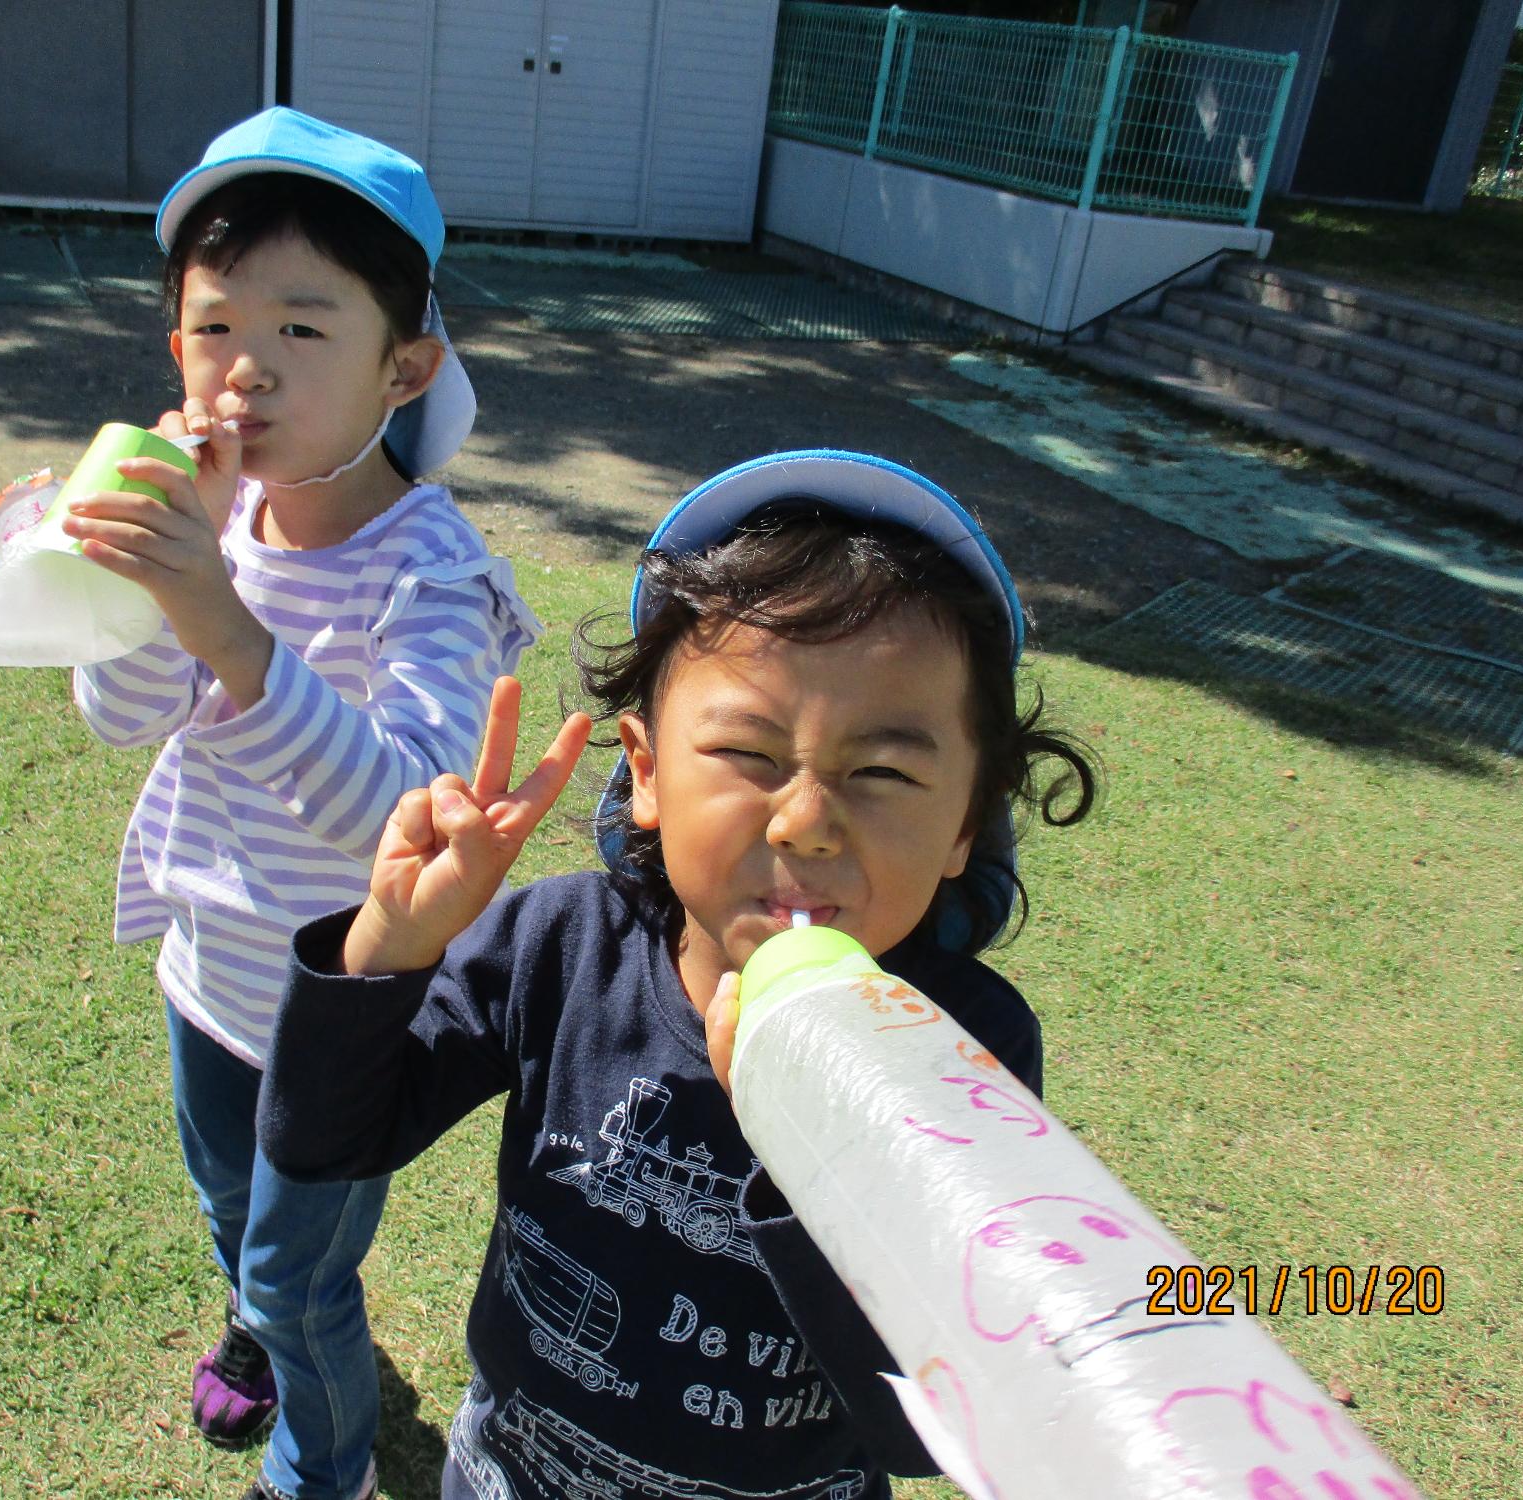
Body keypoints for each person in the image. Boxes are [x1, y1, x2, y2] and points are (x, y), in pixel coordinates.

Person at [259, 449, 1098, 1499]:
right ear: (646, 774)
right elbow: (322, 1136)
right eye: (748, 755)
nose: (804, 822)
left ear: (966, 823)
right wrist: (388, 939)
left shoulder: (962, 1046)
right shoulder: (557, 949)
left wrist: (813, 1135)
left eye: (881, 772)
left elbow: (927, 1427)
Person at [65, 107, 538, 1500]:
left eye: (303, 331)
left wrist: (228, 629)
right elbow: (119, 719)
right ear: (176, 353)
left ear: (407, 366)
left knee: (299, 1270)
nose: (246, 373)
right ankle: (259, 1325)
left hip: (341, 1015)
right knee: (234, 1217)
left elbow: (404, 821)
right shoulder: (213, 526)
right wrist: (168, 580)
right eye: (216, 330)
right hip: (203, 969)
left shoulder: (429, 581)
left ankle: (315, 1468)